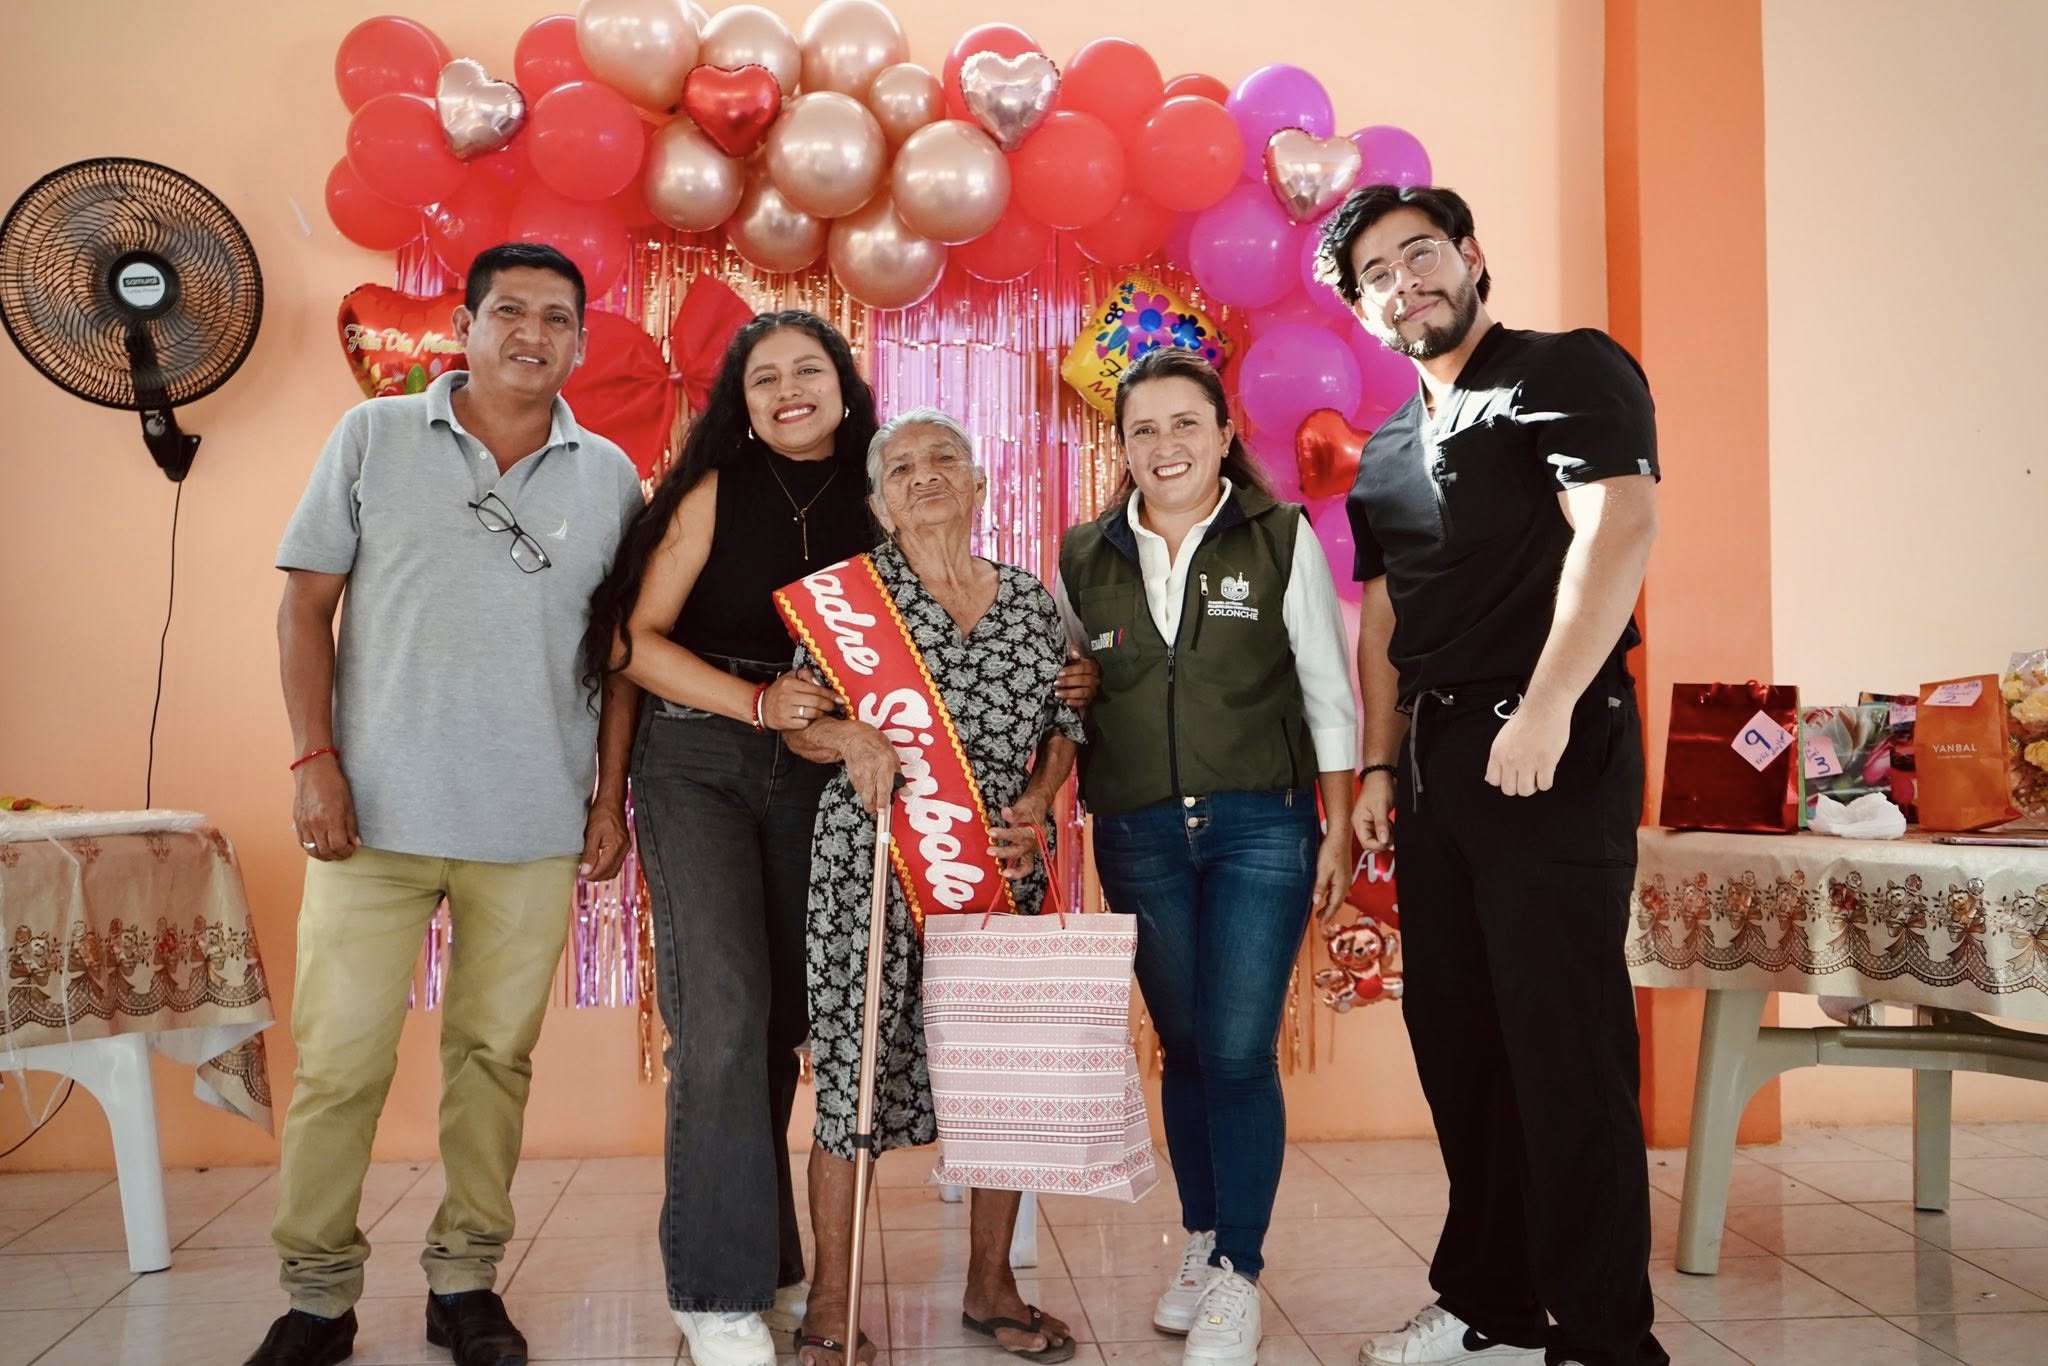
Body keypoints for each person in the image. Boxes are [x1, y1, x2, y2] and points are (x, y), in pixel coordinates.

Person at [255, 242, 644, 1366]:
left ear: (580, 342)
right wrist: (312, 760)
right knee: (339, 1062)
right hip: (369, 819)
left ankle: (466, 1280)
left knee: (492, 1060)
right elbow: (304, 608)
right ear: (464, 328)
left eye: (557, 318)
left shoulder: (610, 476)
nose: (533, 333)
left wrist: (607, 797)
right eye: (508, 311)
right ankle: (317, 1298)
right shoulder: (372, 436)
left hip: (531, 824)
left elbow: (620, 657)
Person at [1313, 184, 1664, 1366]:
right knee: (1459, 1043)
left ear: (1468, 256)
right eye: (1373, 275)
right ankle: (1493, 1309)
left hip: (1549, 739)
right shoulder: (1384, 447)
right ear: (1361, 311)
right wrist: (1377, 761)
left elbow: (1616, 526)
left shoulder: (1563, 368)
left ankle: (1605, 1340)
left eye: (1418, 254)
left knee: (1563, 1049)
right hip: (1433, 762)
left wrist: (1547, 706)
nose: (1401, 282)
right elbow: (1386, 618)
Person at [580, 311, 877, 1366]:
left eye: (808, 370)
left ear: (844, 384)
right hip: (700, 754)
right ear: (739, 402)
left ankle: (769, 1266)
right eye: (764, 378)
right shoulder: (713, 487)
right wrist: (754, 706)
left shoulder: (879, 489)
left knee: (782, 1022)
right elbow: (629, 642)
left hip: (821, 766)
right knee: (720, 1017)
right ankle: (714, 1291)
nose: (788, 390)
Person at [1055, 347, 1358, 1366]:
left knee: (1234, 1050)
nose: (1165, 445)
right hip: (1137, 831)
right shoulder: (1083, 553)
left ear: (1224, 435)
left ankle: (1239, 1268)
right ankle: (1200, 1238)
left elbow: (1328, 691)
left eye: (1185, 423)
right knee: (1184, 1047)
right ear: (1122, 447)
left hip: (1261, 825)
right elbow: (1073, 686)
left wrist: (1339, 825)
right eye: (1143, 429)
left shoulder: (1278, 536)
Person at [785, 408, 1086, 1366]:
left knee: (1004, 1082)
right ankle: (831, 1303)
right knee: (852, 1082)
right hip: (868, 867)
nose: (925, 476)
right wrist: (848, 736)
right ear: (879, 502)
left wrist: (1037, 802)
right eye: (902, 467)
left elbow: (1064, 729)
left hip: (997, 868)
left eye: (944, 458)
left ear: (979, 483)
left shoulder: (1031, 602)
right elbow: (799, 719)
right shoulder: (849, 602)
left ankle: (992, 1286)